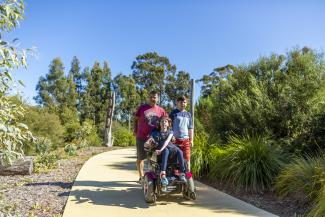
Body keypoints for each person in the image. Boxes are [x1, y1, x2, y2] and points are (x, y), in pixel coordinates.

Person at [134, 90, 166, 183]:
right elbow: (135, 119)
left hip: (154, 138)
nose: (153, 99)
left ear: (158, 98)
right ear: (148, 98)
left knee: (153, 158)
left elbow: (165, 122)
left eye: (155, 97)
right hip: (141, 136)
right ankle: (141, 177)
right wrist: (135, 130)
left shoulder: (161, 111)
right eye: (151, 97)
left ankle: (152, 177)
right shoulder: (142, 108)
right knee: (141, 158)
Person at [146, 116, 187, 187]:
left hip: (170, 149)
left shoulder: (170, 132)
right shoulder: (155, 133)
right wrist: (148, 142)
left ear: (168, 124)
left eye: (165, 121)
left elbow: (167, 142)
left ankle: (182, 173)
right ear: (159, 124)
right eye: (162, 121)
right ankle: (163, 173)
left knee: (180, 151)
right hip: (161, 153)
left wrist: (161, 150)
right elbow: (150, 139)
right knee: (166, 150)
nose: (164, 123)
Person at [169, 96, 194, 171]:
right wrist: (171, 136)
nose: (183, 103)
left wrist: (191, 140)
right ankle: (176, 178)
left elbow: (190, 128)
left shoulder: (188, 114)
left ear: (186, 103)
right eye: (181, 102)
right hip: (175, 140)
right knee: (175, 160)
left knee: (187, 159)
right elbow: (169, 126)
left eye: (184, 102)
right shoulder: (173, 113)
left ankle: (189, 178)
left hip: (186, 140)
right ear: (177, 103)